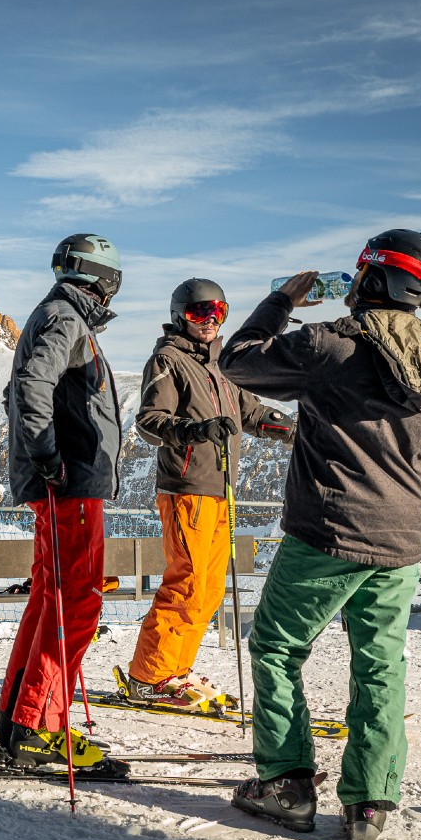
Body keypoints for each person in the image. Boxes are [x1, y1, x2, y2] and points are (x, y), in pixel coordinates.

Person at [218, 229, 421, 840]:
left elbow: (239, 360)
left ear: (373, 278)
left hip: (326, 532)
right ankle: (369, 804)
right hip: (400, 543)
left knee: (278, 647)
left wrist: (282, 299)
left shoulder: (329, 345)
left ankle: (286, 786)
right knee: (381, 665)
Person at [116, 278, 295, 711]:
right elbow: (149, 421)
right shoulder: (168, 360)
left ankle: (174, 670)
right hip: (187, 489)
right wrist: (194, 430)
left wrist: (294, 428)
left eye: (219, 311)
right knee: (187, 584)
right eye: (200, 312)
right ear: (180, 315)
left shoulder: (222, 365)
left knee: (209, 590)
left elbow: (251, 412)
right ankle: (148, 678)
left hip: (221, 491)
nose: (210, 320)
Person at [0, 234, 124, 769]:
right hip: (70, 486)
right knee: (77, 603)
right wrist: (50, 456)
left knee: (51, 598)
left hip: (60, 483)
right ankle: (39, 728)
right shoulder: (67, 319)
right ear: (106, 280)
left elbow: (18, 391)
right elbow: (31, 386)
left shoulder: (53, 315)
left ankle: (17, 721)